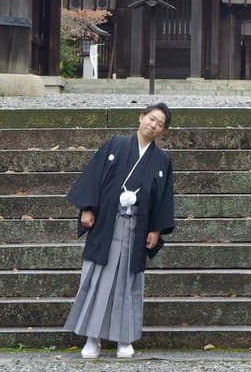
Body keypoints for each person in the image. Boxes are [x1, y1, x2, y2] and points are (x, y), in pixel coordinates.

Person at [63, 102, 176, 359]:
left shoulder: (161, 160)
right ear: (141, 117)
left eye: (160, 124)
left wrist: (156, 229)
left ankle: (124, 339)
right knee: (98, 279)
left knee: (128, 283)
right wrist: (87, 208)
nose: (153, 125)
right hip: (107, 224)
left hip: (136, 228)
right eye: (151, 118)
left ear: (163, 131)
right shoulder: (115, 144)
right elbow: (94, 176)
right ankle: (93, 338)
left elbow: (163, 197)